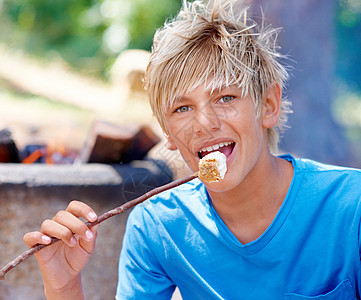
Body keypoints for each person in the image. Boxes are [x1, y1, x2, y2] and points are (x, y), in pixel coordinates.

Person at [24, 0, 361, 299]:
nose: (204, 123)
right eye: (181, 108)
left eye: (225, 98)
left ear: (268, 105)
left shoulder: (351, 207)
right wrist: (64, 287)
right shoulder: (157, 226)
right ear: (167, 132)